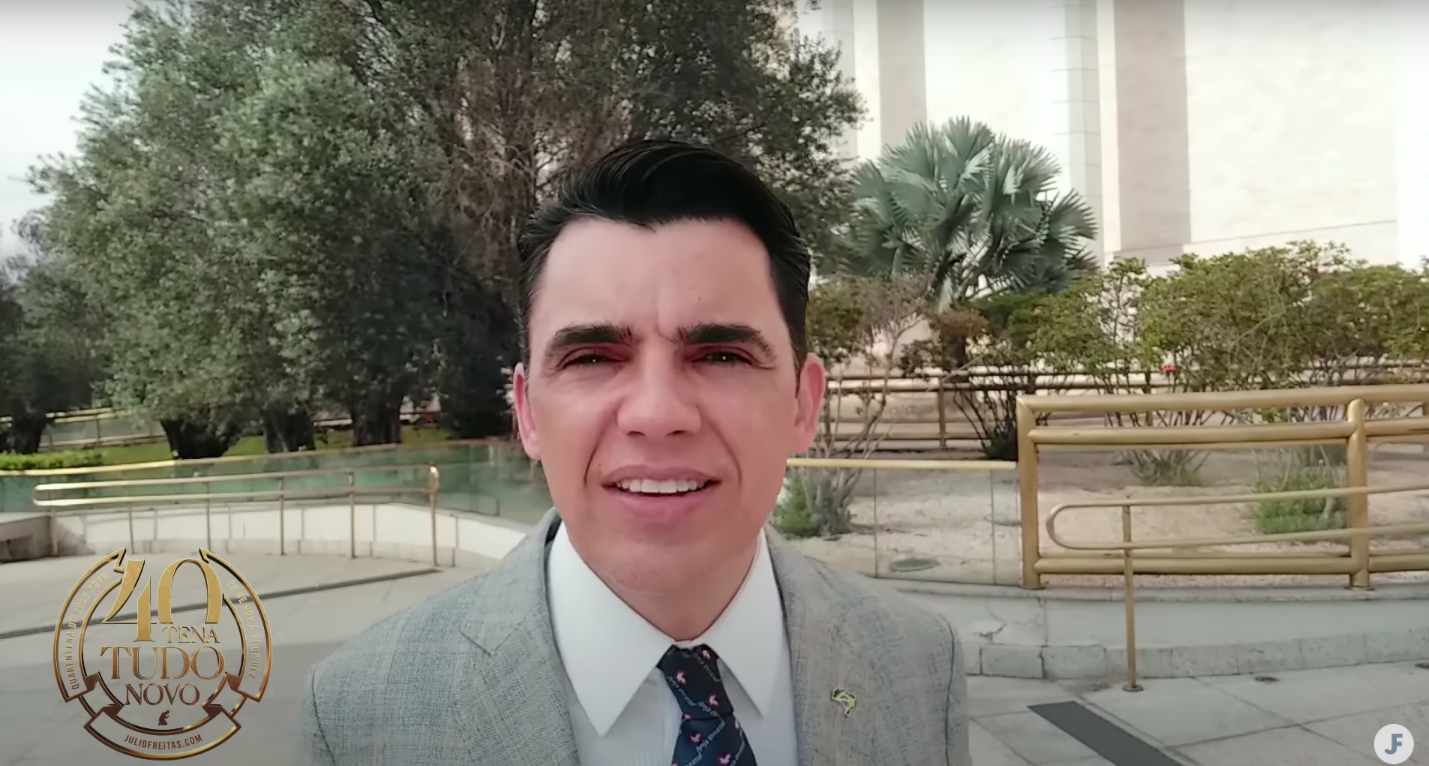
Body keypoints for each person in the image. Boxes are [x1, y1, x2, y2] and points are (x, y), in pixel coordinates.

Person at [296, 139, 971, 766]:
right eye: (592, 357)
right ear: (527, 412)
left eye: (720, 356)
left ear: (802, 402)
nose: (656, 414)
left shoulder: (918, 664)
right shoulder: (360, 717)